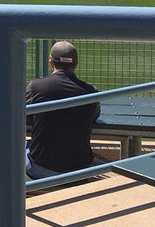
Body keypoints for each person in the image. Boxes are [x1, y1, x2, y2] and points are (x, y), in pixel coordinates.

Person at [25, 41, 100, 179]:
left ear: (50, 63)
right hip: (80, 170)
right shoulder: (91, 91)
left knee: (17, 145)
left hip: (41, 169)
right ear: (76, 64)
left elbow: (24, 116)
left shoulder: (35, 87)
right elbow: (94, 115)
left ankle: (2, 191)